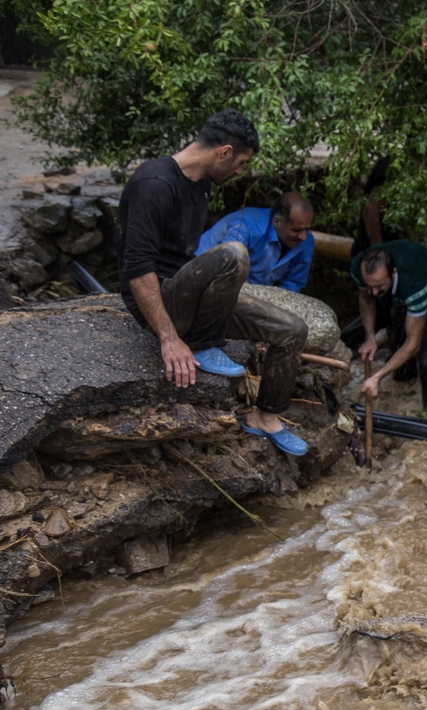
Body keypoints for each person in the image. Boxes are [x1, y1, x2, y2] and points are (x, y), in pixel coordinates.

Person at [114, 110, 309, 457]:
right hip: (162, 301)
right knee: (233, 253)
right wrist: (169, 339)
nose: (240, 171)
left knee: (292, 329)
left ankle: (264, 417)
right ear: (224, 152)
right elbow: (138, 271)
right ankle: (203, 343)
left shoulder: (201, 185)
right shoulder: (154, 184)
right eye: (241, 162)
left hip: (192, 296)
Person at [342, 240, 427, 416]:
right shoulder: (359, 266)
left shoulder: (414, 283)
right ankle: (404, 380)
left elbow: (413, 345)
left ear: (393, 273)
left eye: (379, 286)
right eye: (370, 285)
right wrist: (370, 337)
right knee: (388, 338)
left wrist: (377, 376)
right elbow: (366, 298)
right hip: (397, 295)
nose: (374, 292)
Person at [196, 192, 315, 292]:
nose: (303, 237)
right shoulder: (246, 225)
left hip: (249, 284)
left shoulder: (307, 241)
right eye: (296, 230)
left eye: (307, 229)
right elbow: (230, 268)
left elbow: (293, 284)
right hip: (199, 272)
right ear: (277, 222)